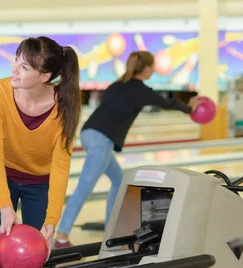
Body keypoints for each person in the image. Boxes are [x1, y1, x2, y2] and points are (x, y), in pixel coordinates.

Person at [54, 50, 202, 248]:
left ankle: (111, 230)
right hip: (101, 139)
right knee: (85, 187)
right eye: (152, 68)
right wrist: (190, 108)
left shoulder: (117, 84)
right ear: (147, 69)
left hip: (89, 132)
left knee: (119, 180)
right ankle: (61, 237)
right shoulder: (142, 90)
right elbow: (167, 103)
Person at [0, 36, 81, 261]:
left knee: (38, 253)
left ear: (44, 76)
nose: (13, 69)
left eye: (24, 67)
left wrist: (51, 222)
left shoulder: (65, 105)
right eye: (16, 60)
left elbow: (61, 166)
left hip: (39, 183)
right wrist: (5, 206)